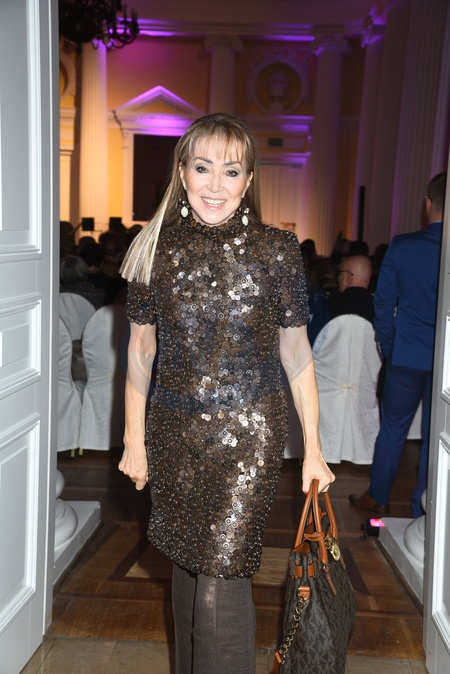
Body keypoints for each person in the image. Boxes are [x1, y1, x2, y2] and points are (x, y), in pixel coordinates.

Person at [117, 112, 335, 674]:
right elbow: (140, 350)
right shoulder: (153, 248)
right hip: (173, 433)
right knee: (187, 567)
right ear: (182, 173)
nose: (216, 185)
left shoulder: (276, 250)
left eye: (231, 171)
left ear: (249, 179)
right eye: (203, 168)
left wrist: (314, 448)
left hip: (247, 437)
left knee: (223, 579)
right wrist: (134, 440)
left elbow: (297, 355)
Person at [350, 171, 447, 518]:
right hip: (446, 361)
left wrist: (390, 347)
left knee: (392, 429)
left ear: (427, 204)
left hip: (406, 354)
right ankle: (424, 507)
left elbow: (383, 303)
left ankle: (378, 496)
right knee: (435, 436)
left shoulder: (403, 246)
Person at [308, 254, 374, 345]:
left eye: (339, 273)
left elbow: (314, 341)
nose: (338, 277)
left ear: (348, 276)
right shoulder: (381, 309)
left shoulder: (327, 306)